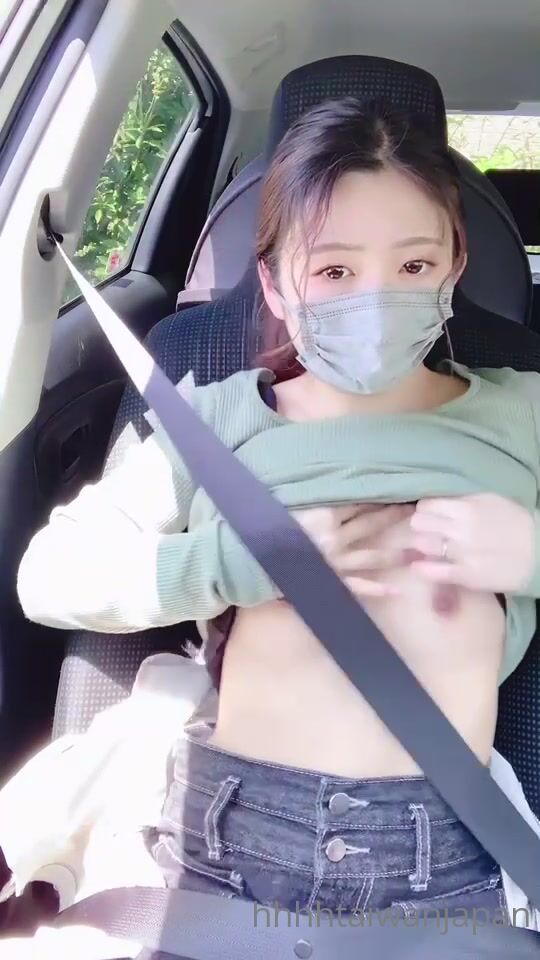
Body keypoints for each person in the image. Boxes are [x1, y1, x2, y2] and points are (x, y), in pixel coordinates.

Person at [15, 97, 540, 927]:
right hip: (224, 829)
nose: (376, 298)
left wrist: (532, 552)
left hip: (442, 847)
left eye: (413, 265)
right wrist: (238, 560)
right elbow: (51, 577)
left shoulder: (523, 413)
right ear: (274, 284)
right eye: (334, 272)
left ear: (455, 266)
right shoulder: (216, 418)